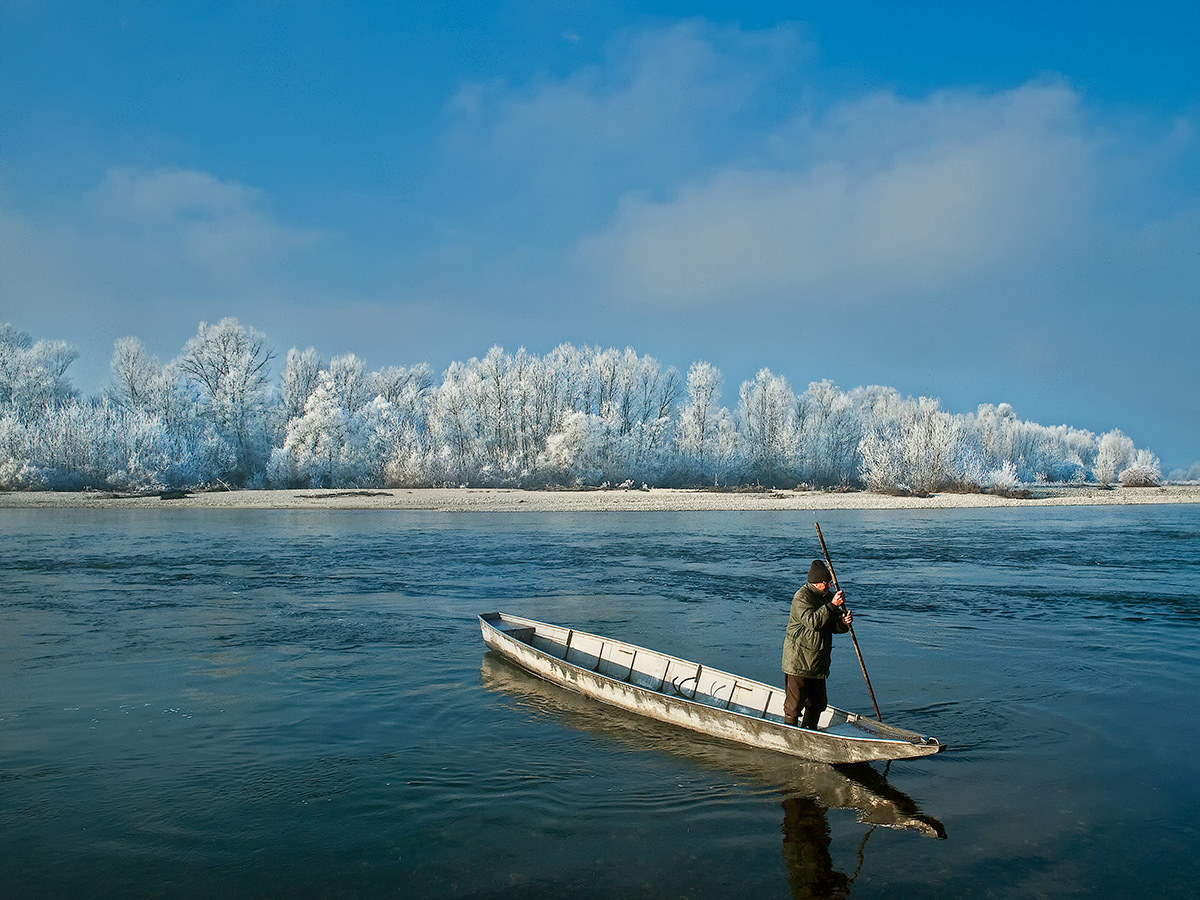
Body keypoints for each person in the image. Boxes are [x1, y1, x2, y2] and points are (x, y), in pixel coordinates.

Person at [781, 560, 852, 729]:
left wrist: (843, 623)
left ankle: (809, 733)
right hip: (798, 660)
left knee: (818, 703)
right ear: (818, 583)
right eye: (827, 584)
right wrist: (832, 605)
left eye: (829, 583)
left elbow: (832, 626)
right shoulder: (802, 597)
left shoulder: (826, 597)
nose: (829, 587)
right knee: (794, 705)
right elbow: (813, 622)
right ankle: (790, 734)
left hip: (818, 661)